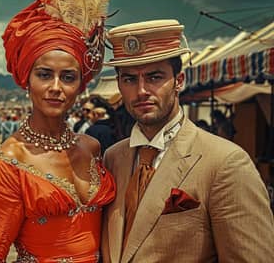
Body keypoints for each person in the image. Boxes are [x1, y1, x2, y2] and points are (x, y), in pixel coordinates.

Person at [0, 0, 123, 262]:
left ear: (81, 86)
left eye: (68, 77)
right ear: (27, 80)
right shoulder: (8, 164)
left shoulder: (91, 147)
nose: (56, 87)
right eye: (44, 74)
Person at [101, 19, 274, 262]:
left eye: (154, 77)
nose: (141, 90)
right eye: (129, 79)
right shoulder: (113, 158)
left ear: (179, 81)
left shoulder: (226, 162)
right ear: (119, 84)